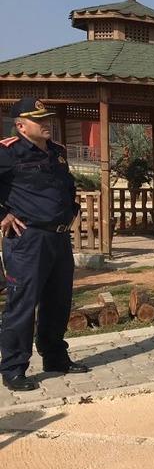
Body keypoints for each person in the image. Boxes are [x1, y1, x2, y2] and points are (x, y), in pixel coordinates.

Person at [0, 98, 89, 392]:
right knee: (22, 305)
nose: (46, 123)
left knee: (58, 301)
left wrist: (72, 210)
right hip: (28, 240)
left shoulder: (58, 152)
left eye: (47, 118)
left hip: (59, 237)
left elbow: (67, 186)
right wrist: (3, 214)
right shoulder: (8, 152)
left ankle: (55, 358)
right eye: (39, 119)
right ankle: (13, 369)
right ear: (21, 125)